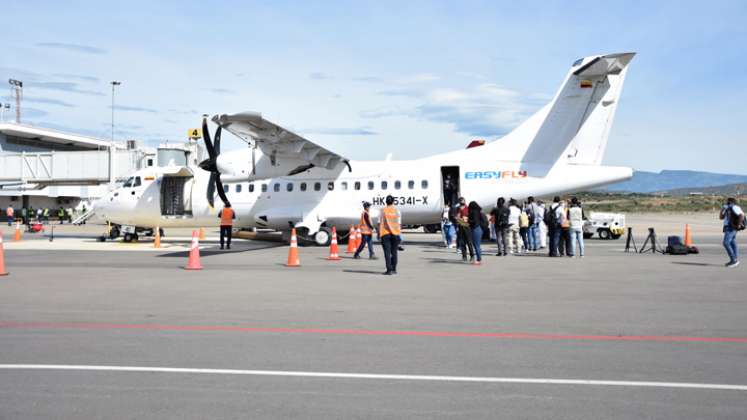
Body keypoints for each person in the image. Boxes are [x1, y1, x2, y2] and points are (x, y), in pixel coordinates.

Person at [378, 195, 401, 275]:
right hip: (395, 234)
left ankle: (389, 270)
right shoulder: (397, 211)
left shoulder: (382, 211)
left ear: (386, 202)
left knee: (387, 253)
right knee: (394, 252)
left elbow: (379, 223)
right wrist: (399, 235)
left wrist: (378, 233)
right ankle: (394, 269)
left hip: (385, 234)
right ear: (393, 201)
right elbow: (399, 224)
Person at [719, 197, 744, 268]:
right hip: (728, 227)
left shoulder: (734, 207)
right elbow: (721, 217)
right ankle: (735, 259)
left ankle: (734, 260)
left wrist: (738, 225)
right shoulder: (728, 208)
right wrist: (722, 209)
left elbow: (741, 215)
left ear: (730, 202)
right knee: (733, 242)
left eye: (727, 201)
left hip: (731, 227)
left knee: (726, 243)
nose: (726, 203)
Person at [467, 201, 484, 265]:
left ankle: (479, 260)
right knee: (477, 245)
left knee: (476, 245)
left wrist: (468, 220)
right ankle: (479, 258)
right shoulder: (478, 211)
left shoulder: (474, 212)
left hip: (475, 229)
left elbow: (474, 221)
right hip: (478, 229)